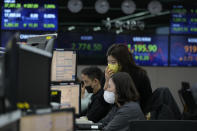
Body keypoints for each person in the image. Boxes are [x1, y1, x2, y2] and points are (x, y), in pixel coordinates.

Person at [104, 44, 152, 113]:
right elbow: (105, 100)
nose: (110, 65)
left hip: (135, 112)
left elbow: (146, 99)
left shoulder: (139, 75)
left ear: (123, 61)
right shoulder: (108, 74)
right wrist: (107, 80)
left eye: (113, 62)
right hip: (114, 112)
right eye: (108, 62)